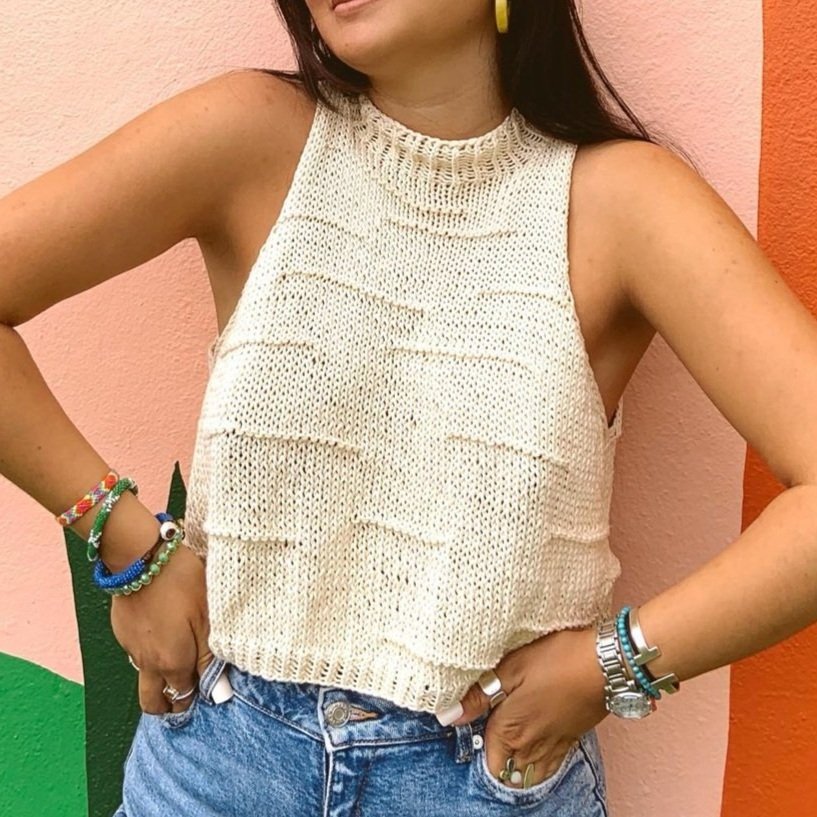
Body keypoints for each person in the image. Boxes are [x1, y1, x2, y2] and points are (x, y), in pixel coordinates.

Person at [3, 1, 817, 815]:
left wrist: (615, 664)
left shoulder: (622, 202)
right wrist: (123, 537)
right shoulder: (249, 138)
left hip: (486, 781)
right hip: (216, 763)